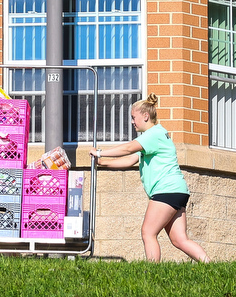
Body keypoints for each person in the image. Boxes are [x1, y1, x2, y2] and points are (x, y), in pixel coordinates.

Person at [89, 93, 210, 263]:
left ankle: (152, 271)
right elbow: (131, 159)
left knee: (148, 232)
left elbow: (128, 148)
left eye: (134, 117)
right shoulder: (153, 137)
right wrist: (102, 162)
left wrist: (100, 151)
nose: (132, 122)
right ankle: (209, 265)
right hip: (178, 191)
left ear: (145, 116)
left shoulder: (153, 134)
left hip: (166, 190)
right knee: (179, 239)